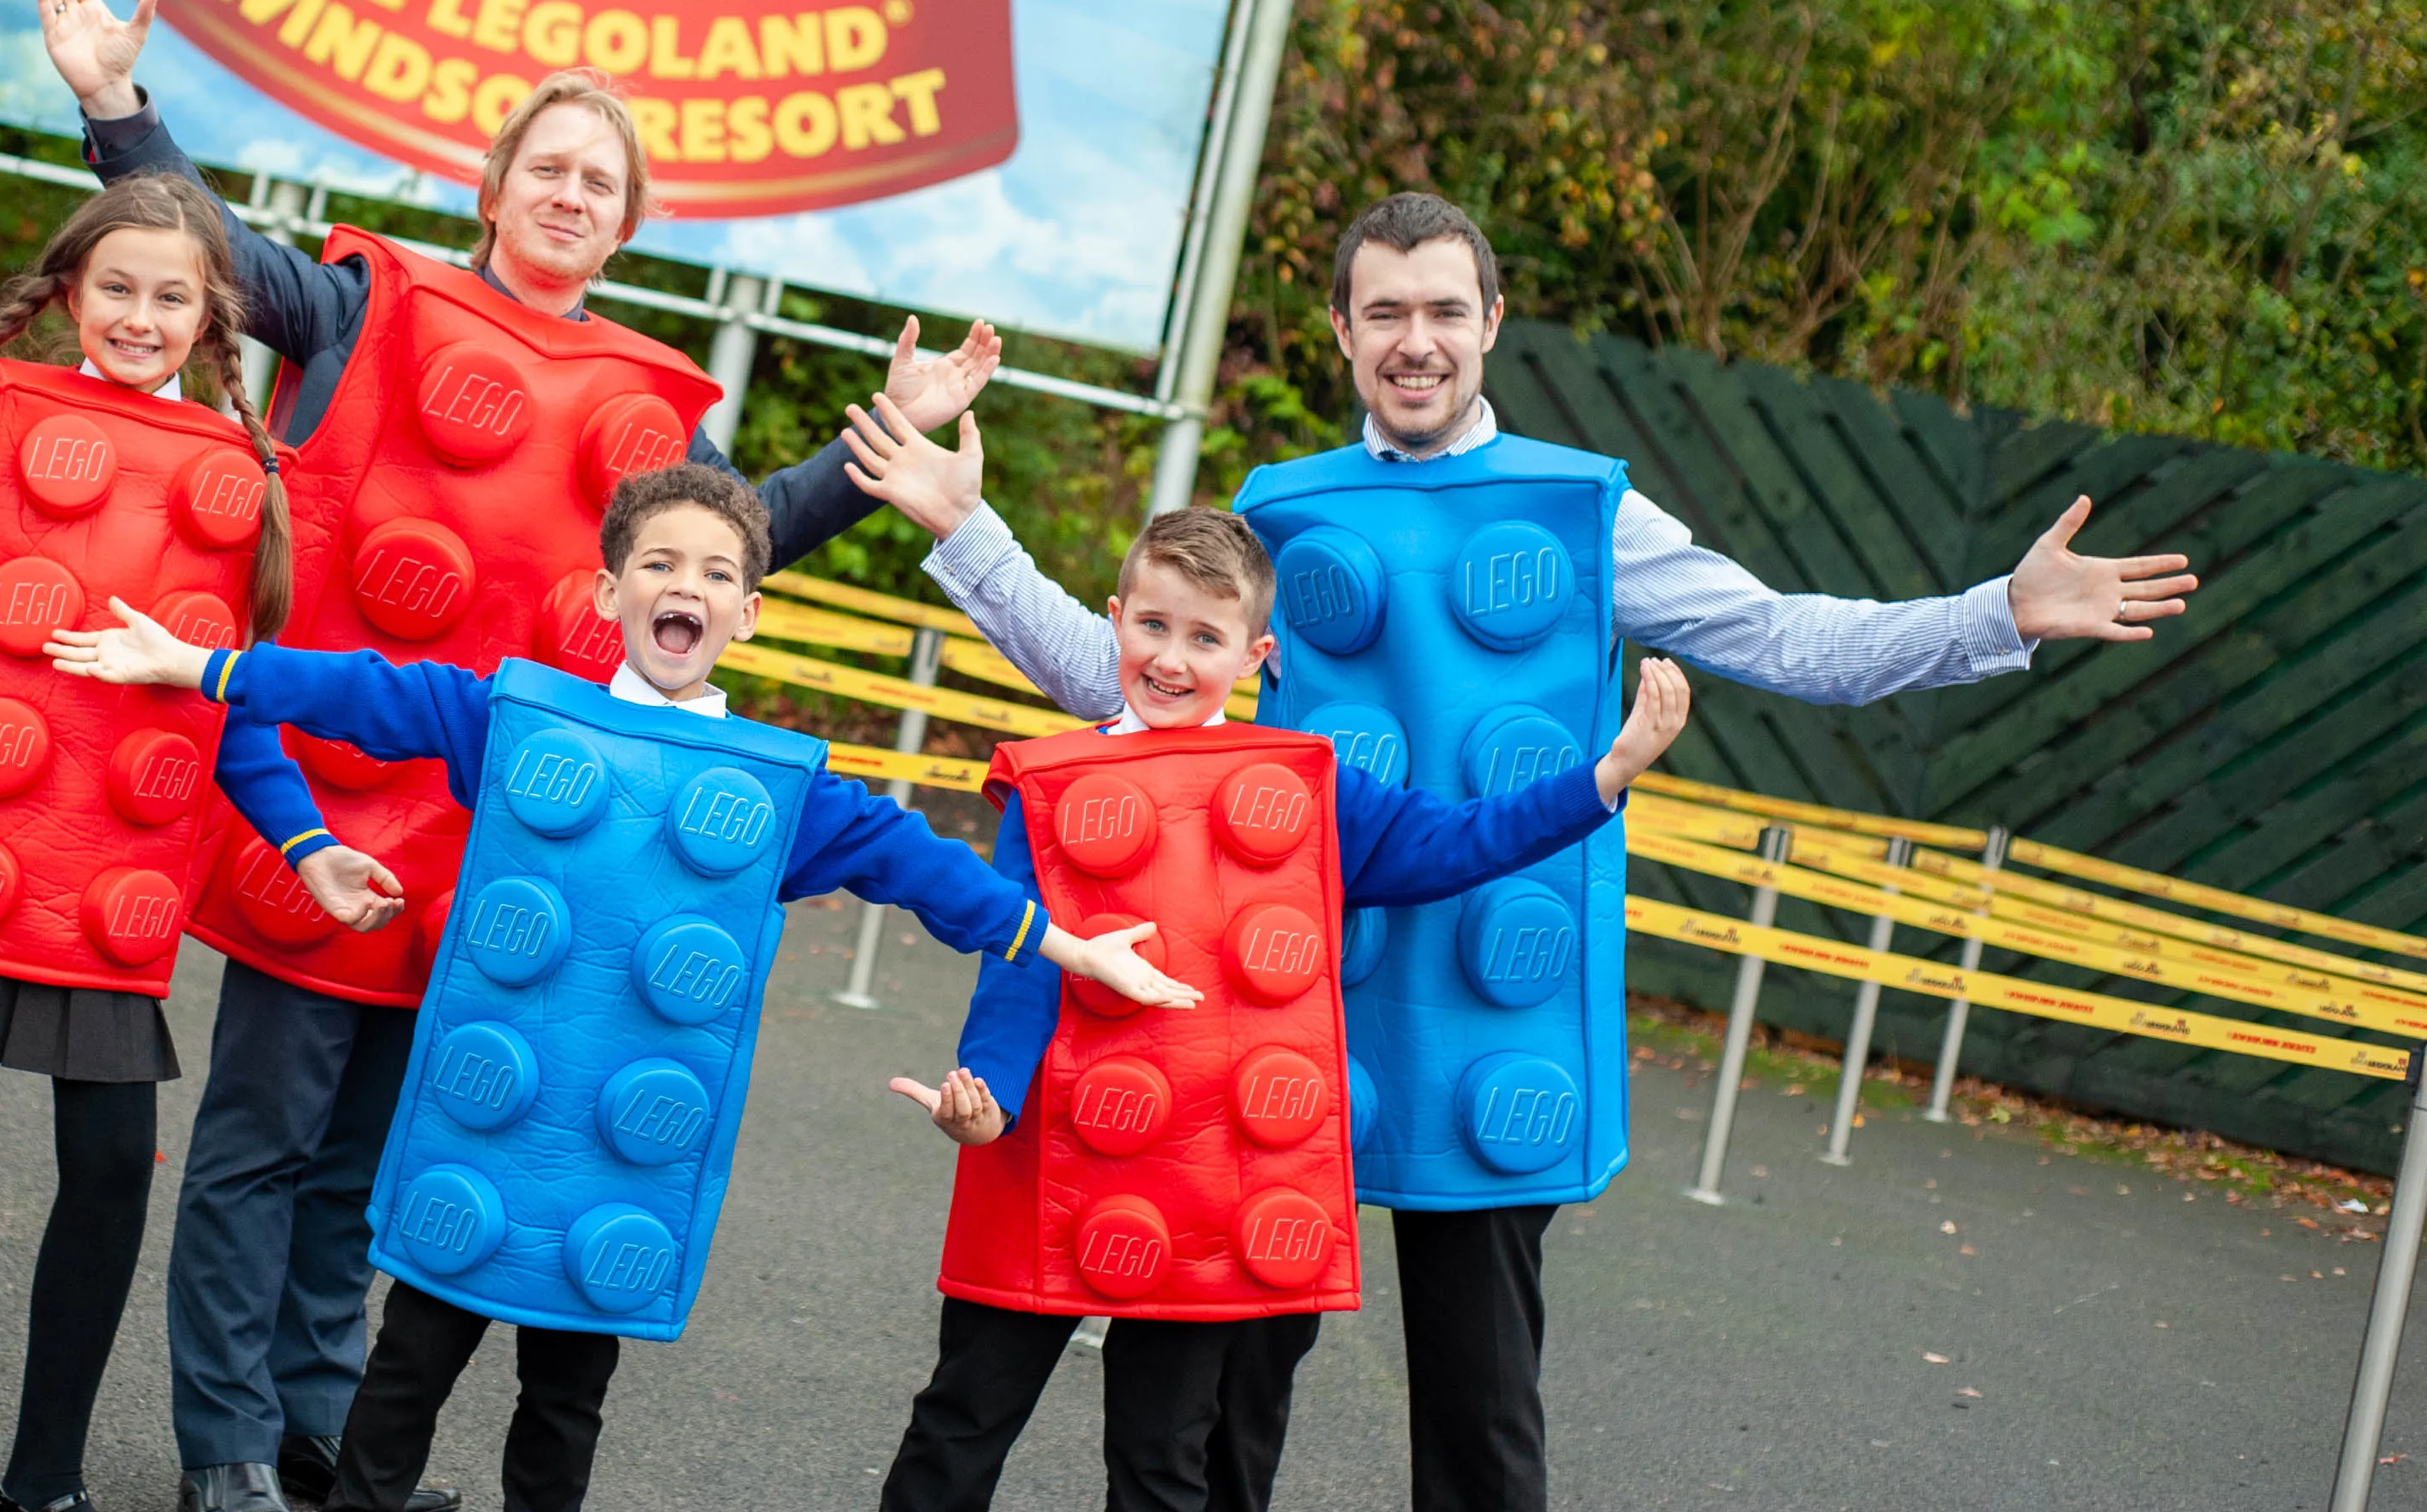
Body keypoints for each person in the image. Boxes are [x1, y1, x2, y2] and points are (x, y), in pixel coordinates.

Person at [874, 190, 2201, 1512]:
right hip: (1275, 1008)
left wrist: (1996, 614)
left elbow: (1794, 641)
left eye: (1445, 309)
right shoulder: (1280, 509)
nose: (1416, 340)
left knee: (1478, 1407)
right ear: (1341, 329)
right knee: (1223, 1411)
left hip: (1490, 1018)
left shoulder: (1586, 516)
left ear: (1492, 322)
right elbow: (1142, 694)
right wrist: (968, 534)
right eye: (1383, 310)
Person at [31, 0, 1003, 1512]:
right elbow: (219, 254)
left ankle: (318, 1431)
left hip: (515, 830)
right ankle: (222, 1449)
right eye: (546, 165)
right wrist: (118, 109)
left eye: (598, 181)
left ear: (627, 222)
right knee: (257, 1144)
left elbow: (726, 535)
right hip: (325, 789)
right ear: (493, 186)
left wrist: (893, 439)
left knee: (376, 1154)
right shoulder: (371, 302)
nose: (568, 194)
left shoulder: (654, 400)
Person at [47, 461, 1204, 1512]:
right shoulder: (516, 715)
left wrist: (1066, 947)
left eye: (713, 572)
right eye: (657, 564)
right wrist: (199, 666)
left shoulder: (777, 787)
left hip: (621, 1165)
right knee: (403, 1380)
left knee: (562, 1411)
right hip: (480, 1133)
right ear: (608, 595)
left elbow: (927, 870)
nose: (681, 586)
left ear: (746, 616)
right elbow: (367, 692)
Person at [833, 419, 1692, 1512]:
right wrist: (988, 1097)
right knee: (960, 1426)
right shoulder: (1053, 786)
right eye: (1151, 626)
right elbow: (1021, 962)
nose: (1171, 658)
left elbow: (1455, 840)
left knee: (1161, 1465)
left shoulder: (1308, 788)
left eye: (1205, 637)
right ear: (1116, 623)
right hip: (1045, 1150)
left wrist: (1604, 775)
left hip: (1206, 1181)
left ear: (1259, 657)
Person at [0, 166, 405, 1512]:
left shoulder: (241, 474)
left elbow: (230, 710)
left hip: (109, 883)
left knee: (115, 1165)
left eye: (169, 296)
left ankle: (46, 1477)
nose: (138, 315)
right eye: (115, 288)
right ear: (70, 293)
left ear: (209, 319)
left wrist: (307, 848)